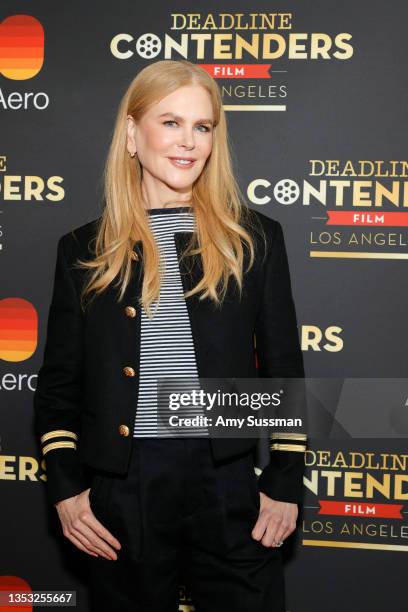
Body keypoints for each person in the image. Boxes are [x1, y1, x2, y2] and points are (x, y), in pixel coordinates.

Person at [33, 59, 307, 611]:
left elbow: (283, 370)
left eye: (202, 127)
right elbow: (60, 385)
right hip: (126, 485)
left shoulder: (256, 240)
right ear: (133, 134)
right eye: (171, 123)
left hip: (228, 482)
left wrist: (283, 479)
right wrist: (65, 488)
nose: (188, 142)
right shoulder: (83, 250)